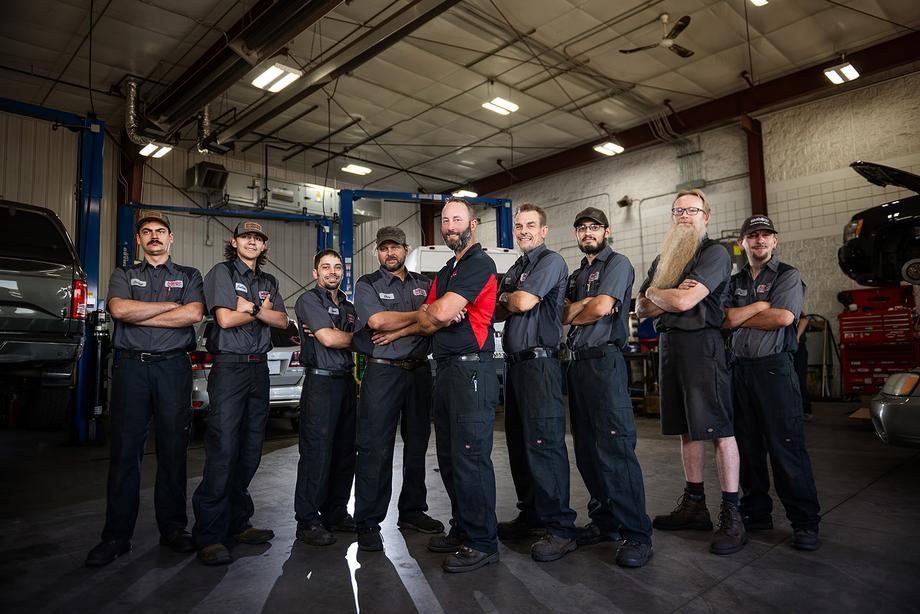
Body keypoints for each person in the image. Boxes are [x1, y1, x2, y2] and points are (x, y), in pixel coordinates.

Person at [85, 212, 204, 567]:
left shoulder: (189, 276)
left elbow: (194, 314)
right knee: (124, 451)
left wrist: (142, 313)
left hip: (172, 367)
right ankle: (116, 537)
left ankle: (173, 530)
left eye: (160, 231)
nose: (154, 236)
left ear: (171, 238)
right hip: (130, 367)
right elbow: (119, 310)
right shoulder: (124, 274)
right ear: (139, 240)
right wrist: (170, 306)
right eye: (147, 232)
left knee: (173, 449)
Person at [636, 189, 746, 556]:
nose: (684, 215)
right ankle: (694, 505)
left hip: (704, 347)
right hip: (671, 347)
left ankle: (733, 514)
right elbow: (640, 309)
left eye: (692, 210)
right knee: (687, 429)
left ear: (706, 216)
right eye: (678, 210)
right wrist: (659, 293)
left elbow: (683, 300)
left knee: (719, 430)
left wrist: (657, 293)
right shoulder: (664, 258)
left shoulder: (714, 253)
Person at [192, 221, 290, 565]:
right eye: (247, 237)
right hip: (230, 366)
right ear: (234, 242)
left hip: (257, 368)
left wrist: (248, 306)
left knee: (250, 448)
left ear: (264, 247)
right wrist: (259, 311)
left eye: (258, 238)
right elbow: (223, 319)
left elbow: (282, 322)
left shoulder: (268, 282)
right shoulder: (221, 272)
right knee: (223, 446)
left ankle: (238, 522)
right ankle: (209, 535)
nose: (252, 242)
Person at [723, 215, 821, 551]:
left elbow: (783, 317)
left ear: (775, 241)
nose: (759, 241)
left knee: (786, 447)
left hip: (774, 371)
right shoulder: (732, 280)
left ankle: (805, 522)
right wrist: (759, 307)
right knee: (747, 448)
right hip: (739, 372)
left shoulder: (787, 275)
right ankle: (757, 513)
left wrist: (743, 315)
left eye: (766, 235)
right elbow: (724, 319)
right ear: (743, 242)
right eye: (753, 236)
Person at [563, 206, 654, 568]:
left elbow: (601, 308)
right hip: (577, 365)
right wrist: (582, 306)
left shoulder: (618, 263)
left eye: (594, 227)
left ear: (607, 230)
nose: (588, 232)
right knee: (587, 450)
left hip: (605, 363)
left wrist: (584, 306)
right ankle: (605, 522)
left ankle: (637, 535)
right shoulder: (575, 274)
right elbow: (560, 313)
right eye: (582, 227)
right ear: (576, 234)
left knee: (616, 450)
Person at [416, 198, 500, 573]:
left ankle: (483, 542)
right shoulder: (448, 269)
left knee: (470, 457)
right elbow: (428, 317)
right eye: (446, 220)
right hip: (446, 369)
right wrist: (438, 313)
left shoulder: (480, 263)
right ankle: (463, 528)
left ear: (473, 223)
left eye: (457, 219)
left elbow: (439, 313)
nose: (450, 226)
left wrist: (441, 313)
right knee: (449, 456)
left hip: (472, 372)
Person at [350, 227, 444, 552]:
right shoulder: (367, 284)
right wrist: (419, 316)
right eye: (384, 249)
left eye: (396, 248)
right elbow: (377, 322)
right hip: (383, 374)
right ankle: (368, 522)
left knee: (417, 446)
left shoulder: (424, 284)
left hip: (419, 373)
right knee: (375, 448)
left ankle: (413, 511)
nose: (390, 253)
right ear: (378, 253)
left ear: (406, 249)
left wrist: (405, 324)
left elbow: (437, 321)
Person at [494, 204, 578, 562]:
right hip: (515, 367)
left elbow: (524, 301)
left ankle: (560, 527)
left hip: (540, 363)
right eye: (519, 226)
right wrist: (507, 299)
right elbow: (499, 310)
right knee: (519, 443)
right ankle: (532, 513)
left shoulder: (551, 261)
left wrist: (509, 298)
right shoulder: (517, 266)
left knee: (544, 444)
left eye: (531, 225)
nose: (524, 231)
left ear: (544, 230)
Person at [292, 249, 359, 546]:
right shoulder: (309, 300)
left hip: (346, 383)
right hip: (320, 384)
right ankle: (307, 520)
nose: (332, 271)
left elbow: (347, 336)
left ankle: (336, 512)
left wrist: (346, 338)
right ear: (315, 273)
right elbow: (330, 339)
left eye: (337, 267)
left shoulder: (349, 307)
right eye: (325, 267)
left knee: (345, 452)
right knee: (316, 452)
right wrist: (359, 340)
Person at [794, 312, 813, 421]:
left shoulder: (791, 302)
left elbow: (804, 320)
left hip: (797, 348)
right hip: (784, 349)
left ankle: (806, 410)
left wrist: (796, 337)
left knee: (799, 379)